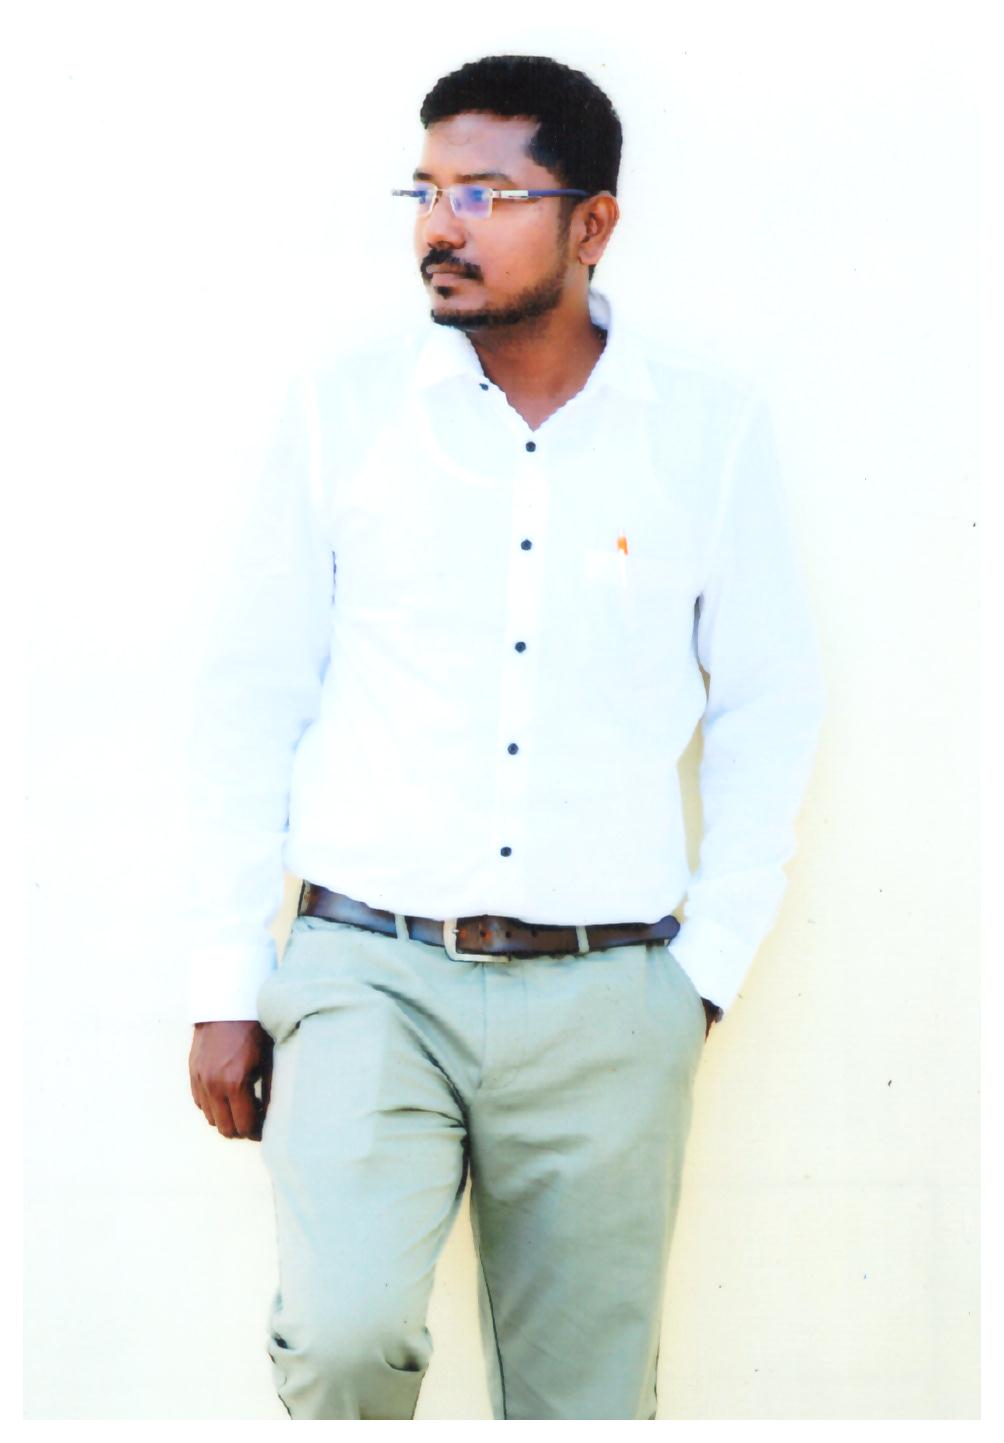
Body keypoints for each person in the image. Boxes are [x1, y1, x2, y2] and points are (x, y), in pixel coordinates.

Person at [186, 54, 826, 1420]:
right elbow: (252, 695)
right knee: (344, 1343)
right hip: (368, 972)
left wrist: (702, 972)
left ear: (593, 222)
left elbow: (768, 703)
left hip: (609, 992)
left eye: (485, 193)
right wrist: (226, 978)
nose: (440, 225)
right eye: (427, 191)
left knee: (584, 1403)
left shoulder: (706, 434)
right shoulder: (343, 415)